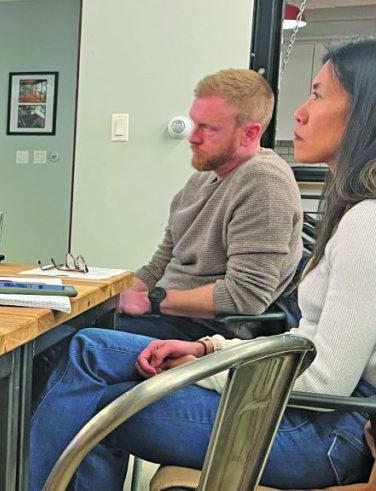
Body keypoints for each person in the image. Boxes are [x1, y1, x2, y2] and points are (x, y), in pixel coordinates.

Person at [5, 37, 376, 490]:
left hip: (326, 433)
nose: (299, 112)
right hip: (311, 415)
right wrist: (207, 352)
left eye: (317, 94)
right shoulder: (208, 185)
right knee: (79, 372)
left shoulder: (363, 222)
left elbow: (325, 382)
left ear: (365, 111)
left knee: (88, 375)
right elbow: (306, 342)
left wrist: (205, 363)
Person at [116, 69, 302, 340]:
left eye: (208, 128)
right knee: (65, 327)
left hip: (201, 332)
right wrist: (109, 295)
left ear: (249, 133)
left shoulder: (264, 183)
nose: (193, 137)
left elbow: (246, 296)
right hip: (164, 317)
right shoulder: (200, 180)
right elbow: (159, 266)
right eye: (195, 123)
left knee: (67, 343)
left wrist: (152, 302)